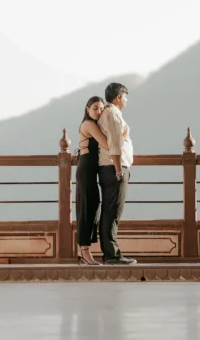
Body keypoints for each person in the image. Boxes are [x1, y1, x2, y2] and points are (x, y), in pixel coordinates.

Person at [97, 82, 136, 265]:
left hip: (112, 167)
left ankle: (110, 253)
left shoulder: (111, 113)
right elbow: (115, 144)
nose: (126, 100)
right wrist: (119, 170)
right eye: (125, 97)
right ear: (118, 97)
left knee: (110, 211)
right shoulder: (112, 114)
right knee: (112, 212)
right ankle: (111, 255)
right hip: (114, 168)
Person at [75, 96, 109, 265]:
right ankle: (84, 251)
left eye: (101, 108)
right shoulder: (88, 124)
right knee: (86, 207)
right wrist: (125, 132)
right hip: (86, 169)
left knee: (93, 204)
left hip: (90, 170)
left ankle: (84, 248)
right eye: (95, 108)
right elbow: (106, 144)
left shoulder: (96, 124)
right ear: (87, 109)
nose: (98, 111)